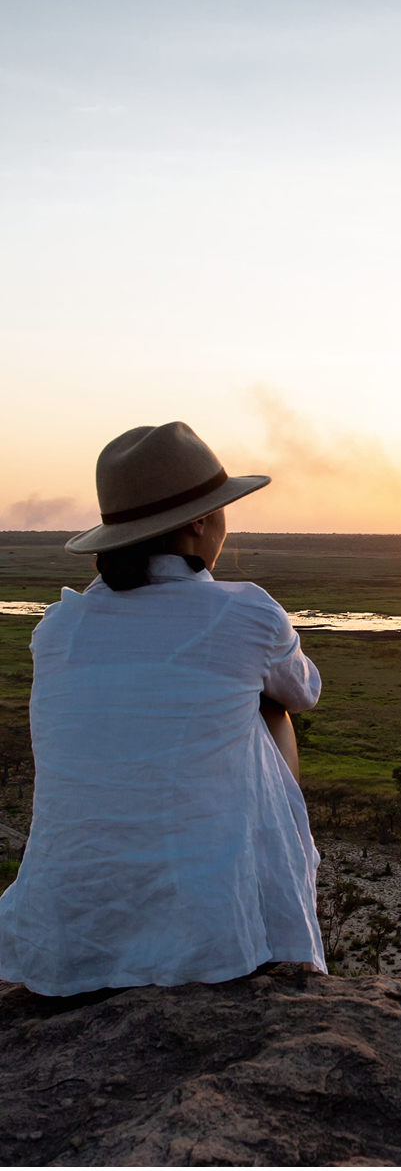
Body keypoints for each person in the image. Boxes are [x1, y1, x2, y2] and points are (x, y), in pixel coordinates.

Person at [0, 422, 326, 996]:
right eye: (222, 508)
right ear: (199, 521)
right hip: (210, 934)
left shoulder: (59, 629)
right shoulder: (245, 611)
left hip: (69, 925)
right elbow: (304, 692)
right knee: (270, 709)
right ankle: (275, 927)